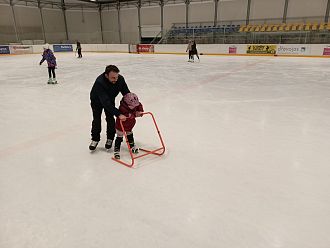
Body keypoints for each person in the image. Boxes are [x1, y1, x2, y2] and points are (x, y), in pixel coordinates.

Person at [89, 65, 130, 151]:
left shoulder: (120, 79)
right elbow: (106, 103)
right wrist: (119, 114)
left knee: (110, 118)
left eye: (116, 77)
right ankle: (95, 139)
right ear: (106, 75)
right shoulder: (99, 83)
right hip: (96, 101)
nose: (115, 79)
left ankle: (110, 138)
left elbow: (127, 94)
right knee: (96, 119)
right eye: (113, 78)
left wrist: (134, 107)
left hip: (109, 99)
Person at [113, 92, 144, 159]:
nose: (134, 108)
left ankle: (132, 146)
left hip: (129, 125)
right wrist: (135, 114)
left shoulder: (135, 104)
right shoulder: (122, 108)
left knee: (130, 135)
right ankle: (116, 150)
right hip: (121, 126)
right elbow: (129, 115)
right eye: (132, 107)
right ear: (127, 104)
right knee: (119, 137)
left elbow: (139, 105)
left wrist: (140, 111)